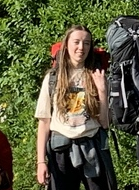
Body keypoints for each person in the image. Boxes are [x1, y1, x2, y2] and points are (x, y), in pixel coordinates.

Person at [37, 26, 113, 190]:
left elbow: (105, 123)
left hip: (92, 147)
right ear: (66, 45)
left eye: (86, 43)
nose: (81, 47)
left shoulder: (97, 75)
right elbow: (44, 122)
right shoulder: (53, 78)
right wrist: (41, 162)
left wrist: (101, 90)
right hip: (60, 151)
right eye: (76, 42)